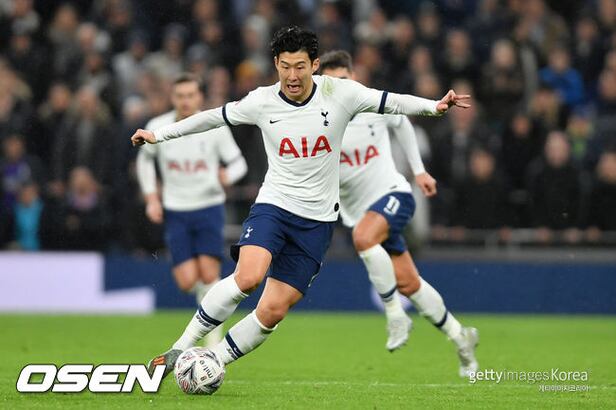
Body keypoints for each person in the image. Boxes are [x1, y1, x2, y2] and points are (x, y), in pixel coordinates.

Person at [131, 26, 469, 379]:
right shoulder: (262, 101)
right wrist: (158, 135)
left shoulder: (341, 93)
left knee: (272, 311)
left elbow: (394, 102)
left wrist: (435, 107)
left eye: (300, 66)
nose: (292, 76)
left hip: (317, 222)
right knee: (248, 277)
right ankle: (180, 347)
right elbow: (212, 117)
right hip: (274, 207)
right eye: (285, 66)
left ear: (315, 65)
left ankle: (212, 361)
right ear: (276, 64)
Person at [319, 50, 478, 377]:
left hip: (393, 194)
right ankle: (460, 337)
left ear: (354, 77)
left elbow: (402, 121)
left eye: (345, 80)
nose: (341, 88)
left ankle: (395, 315)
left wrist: (418, 171)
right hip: (359, 213)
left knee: (363, 238)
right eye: (333, 83)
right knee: (409, 283)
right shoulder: (316, 120)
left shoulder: (369, 104)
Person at [136, 73, 247, 346]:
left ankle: (212, 343)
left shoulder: (214, 126)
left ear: (200, 97)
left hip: (209, 207)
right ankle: (209, 303)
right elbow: (145, 161)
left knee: (209, 274)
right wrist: (151, 198)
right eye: (180, 96)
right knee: (187, 282)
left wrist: (228, 176)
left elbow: (239, 163)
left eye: (190, 95)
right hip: (176, 209)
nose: (185, 101)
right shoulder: (158, 127)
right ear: (172, 98)